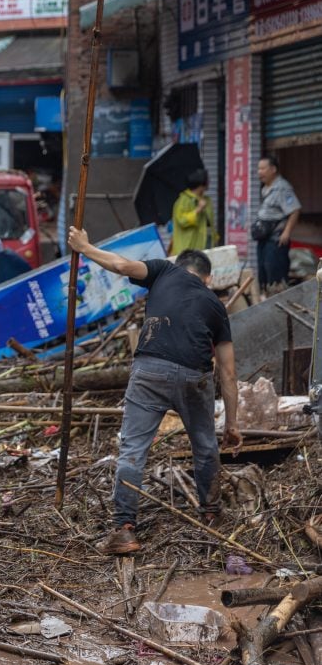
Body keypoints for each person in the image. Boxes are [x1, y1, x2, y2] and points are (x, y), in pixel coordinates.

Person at [67, 227, 241, 555]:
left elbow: (120, 265)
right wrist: (232, 425)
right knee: (205, 447)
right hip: (195, 375)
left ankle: (125, 529)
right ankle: (211, 515)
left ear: (179, 264)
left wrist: (86, 247)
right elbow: (229, 374)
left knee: (133, 448)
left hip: (149, 369)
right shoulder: (215, 305)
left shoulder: (163, 270)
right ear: (208, 278)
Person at [255, 156, 301, 295]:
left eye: (263, 168)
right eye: (258, 168)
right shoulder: (266, 188)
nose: (259, 172)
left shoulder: (282, 187)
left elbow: (295, 210)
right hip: (264, 238)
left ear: (273, 169)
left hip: (276, 240)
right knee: (264, 274)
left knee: (276, 277)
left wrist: (286, 232)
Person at [170, 169, 215, 256]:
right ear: (201, 183)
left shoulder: (206, 200)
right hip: (188, 246)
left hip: (205, 244)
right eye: (208, 179)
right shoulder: (184, 200)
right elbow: (182, 220)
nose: (210, 182)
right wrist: (198, 210)